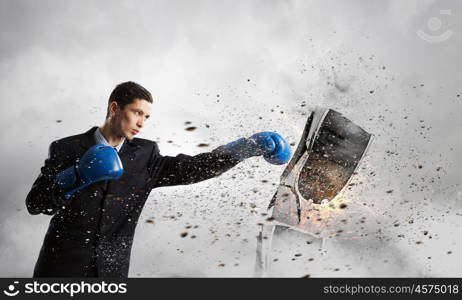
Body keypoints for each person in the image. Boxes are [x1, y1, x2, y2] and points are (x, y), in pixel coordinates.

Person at [25, 81, 292, 278]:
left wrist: (243, 148)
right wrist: (76, 176)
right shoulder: (67, 148)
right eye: (137, 112)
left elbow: (193, 168)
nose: (142, 122)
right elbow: (35, 204)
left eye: (147, 116)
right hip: (60, 270)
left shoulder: (145, 154)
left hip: (112, 274)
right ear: (115, 108)